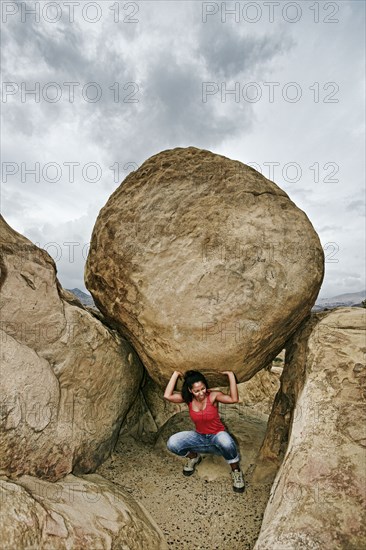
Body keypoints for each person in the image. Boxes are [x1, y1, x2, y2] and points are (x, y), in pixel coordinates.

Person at [163, 370, 245, 493]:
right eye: (197, 391)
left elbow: (234, 399)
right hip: (200, 437)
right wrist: (175, 374)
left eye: (203, 388)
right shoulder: (188, 399)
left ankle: (236, 471)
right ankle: (194, 457)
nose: (201, 393)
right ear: (190, 390)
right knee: (172, 443)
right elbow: (167, 396)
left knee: (226, 441)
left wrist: (231, 376)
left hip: (217, 436)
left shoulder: (213, 396)